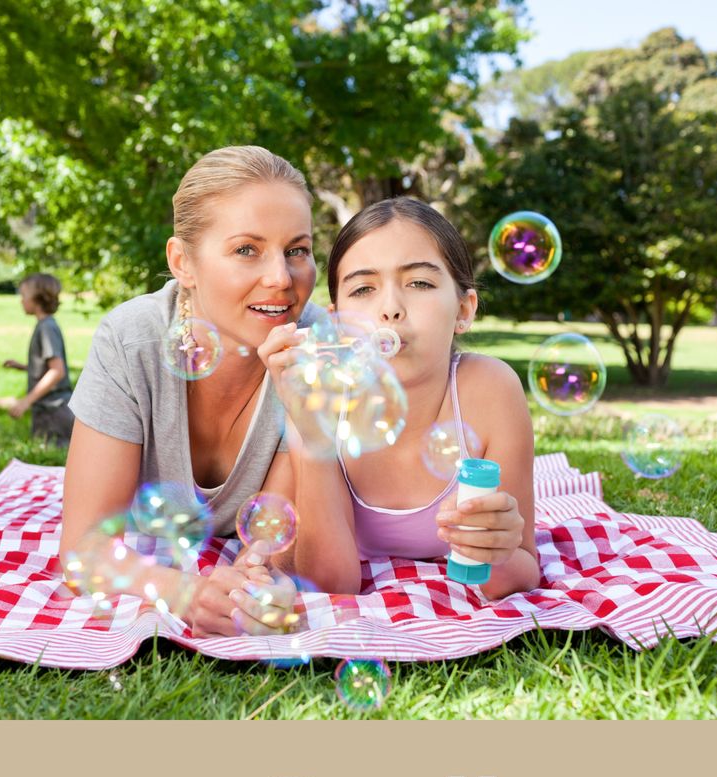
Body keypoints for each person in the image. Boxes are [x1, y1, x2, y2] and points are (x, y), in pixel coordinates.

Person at [61, 145, 326, 637]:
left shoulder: (314, 347)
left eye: (297, 250)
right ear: (183, 262)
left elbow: (274, 538)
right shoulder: (131, 340)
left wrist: (253, 581)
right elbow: (85, 549)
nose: (281, 278)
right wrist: (184, 591)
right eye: (247, 249)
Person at [260, 197, 540, 601]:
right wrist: (314, 437)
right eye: (364, 289)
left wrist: (495, 553)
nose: (390, 309)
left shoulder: (490, 391)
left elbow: (520, 570)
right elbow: (332, 585)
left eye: (420, 283)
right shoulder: (322, 399)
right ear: (336, 321)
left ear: (464, 309)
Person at [1, 273, 74, 447]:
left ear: (38, 298)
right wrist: (26, 367)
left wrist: (27, 400)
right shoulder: (45, 325)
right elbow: (48, 367)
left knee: (54, 460)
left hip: (53, 410)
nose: (21, 300)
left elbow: (57, 371)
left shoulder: (46, 328)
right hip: (47, 409)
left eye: (23, 295)